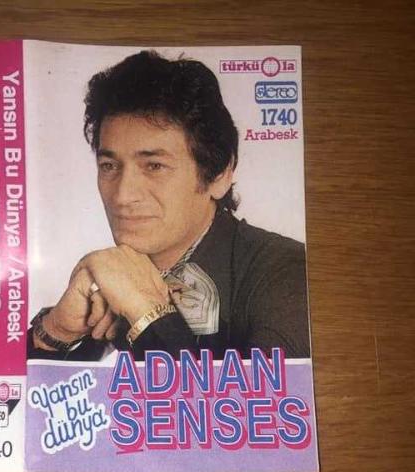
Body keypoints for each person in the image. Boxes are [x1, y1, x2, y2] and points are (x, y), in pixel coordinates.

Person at [28, 50, 310, 361]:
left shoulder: (290, 273)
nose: (122, 196)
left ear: (219, 174)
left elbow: (259, 394)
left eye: (154, 166)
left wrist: (147, 311)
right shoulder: (111, 277)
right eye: (109, 166)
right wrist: (55, 331)